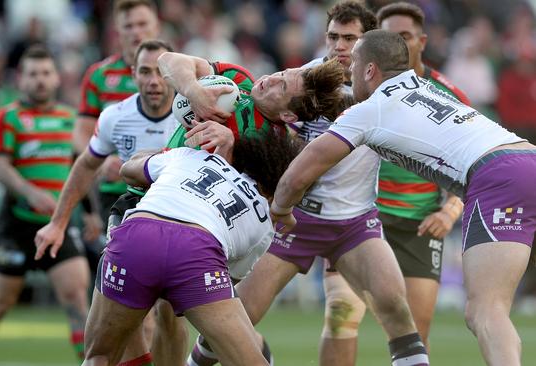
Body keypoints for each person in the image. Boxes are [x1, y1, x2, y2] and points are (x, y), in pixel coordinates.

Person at [272, 29, 536, 366]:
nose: (349, 73)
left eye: (354, 63)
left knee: (484, 310)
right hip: (527, 157)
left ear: (370, 71)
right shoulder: (424, 85)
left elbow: (298, 174)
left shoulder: (371, 109)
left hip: (499, 177)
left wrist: (280, 209)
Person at [183, 3, 381, 365]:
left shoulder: (382, 90)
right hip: (297, 215)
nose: (339, 46)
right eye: (333, 36)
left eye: (349, 39)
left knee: (350, 317)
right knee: (240, 314)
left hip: (353, 219)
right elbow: (268, 125)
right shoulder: (300, 82)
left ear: (367, 43)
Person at [35, 130, 304, 366]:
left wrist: (167, 155)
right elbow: (225, 281)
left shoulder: (192, 157)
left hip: (136, 237)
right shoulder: (264, 221)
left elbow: (128, 169)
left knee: (99, 357)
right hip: (197, 252)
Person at [319, 2, 470, 361]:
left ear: (421, 42)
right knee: (341, 315)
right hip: (360, 218)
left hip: (419, 226)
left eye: (402, 37)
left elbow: (469, 163)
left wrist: (450, 211)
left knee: (414, 332)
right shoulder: (351, 86)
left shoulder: (445, 95)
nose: (393, 43)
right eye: (385, 36)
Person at [43, 39, 185, 366]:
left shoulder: (192, 115)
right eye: (145, 72)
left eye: (161, 72)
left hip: (179, 219)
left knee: (169, 315)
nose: (153, 81)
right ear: (133, 74)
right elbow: (85, 164)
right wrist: (58, 222)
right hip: (131, 218)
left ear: (174, 75)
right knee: (117, 327)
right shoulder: (115, 116)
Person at [0, 45, 90, 366]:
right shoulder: (8, 118)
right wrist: (29, 192)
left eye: (46, 73)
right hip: (17, 224)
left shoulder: (70, 119)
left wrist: (90, 213)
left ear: (56, 78)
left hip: (59, 224)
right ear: (21, 79)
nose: (40, 80)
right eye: (33, 74)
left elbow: (85, 166)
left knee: (78, 300)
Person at [75, 0, 161, 237]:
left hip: (167, 189)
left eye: (142, 24)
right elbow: (81, 132)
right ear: (117, 30)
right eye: (128, 26)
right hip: (116, 192)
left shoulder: (179, 71)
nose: (136, 32)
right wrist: (102, 162)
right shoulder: (99, 75)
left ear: (157, 25)